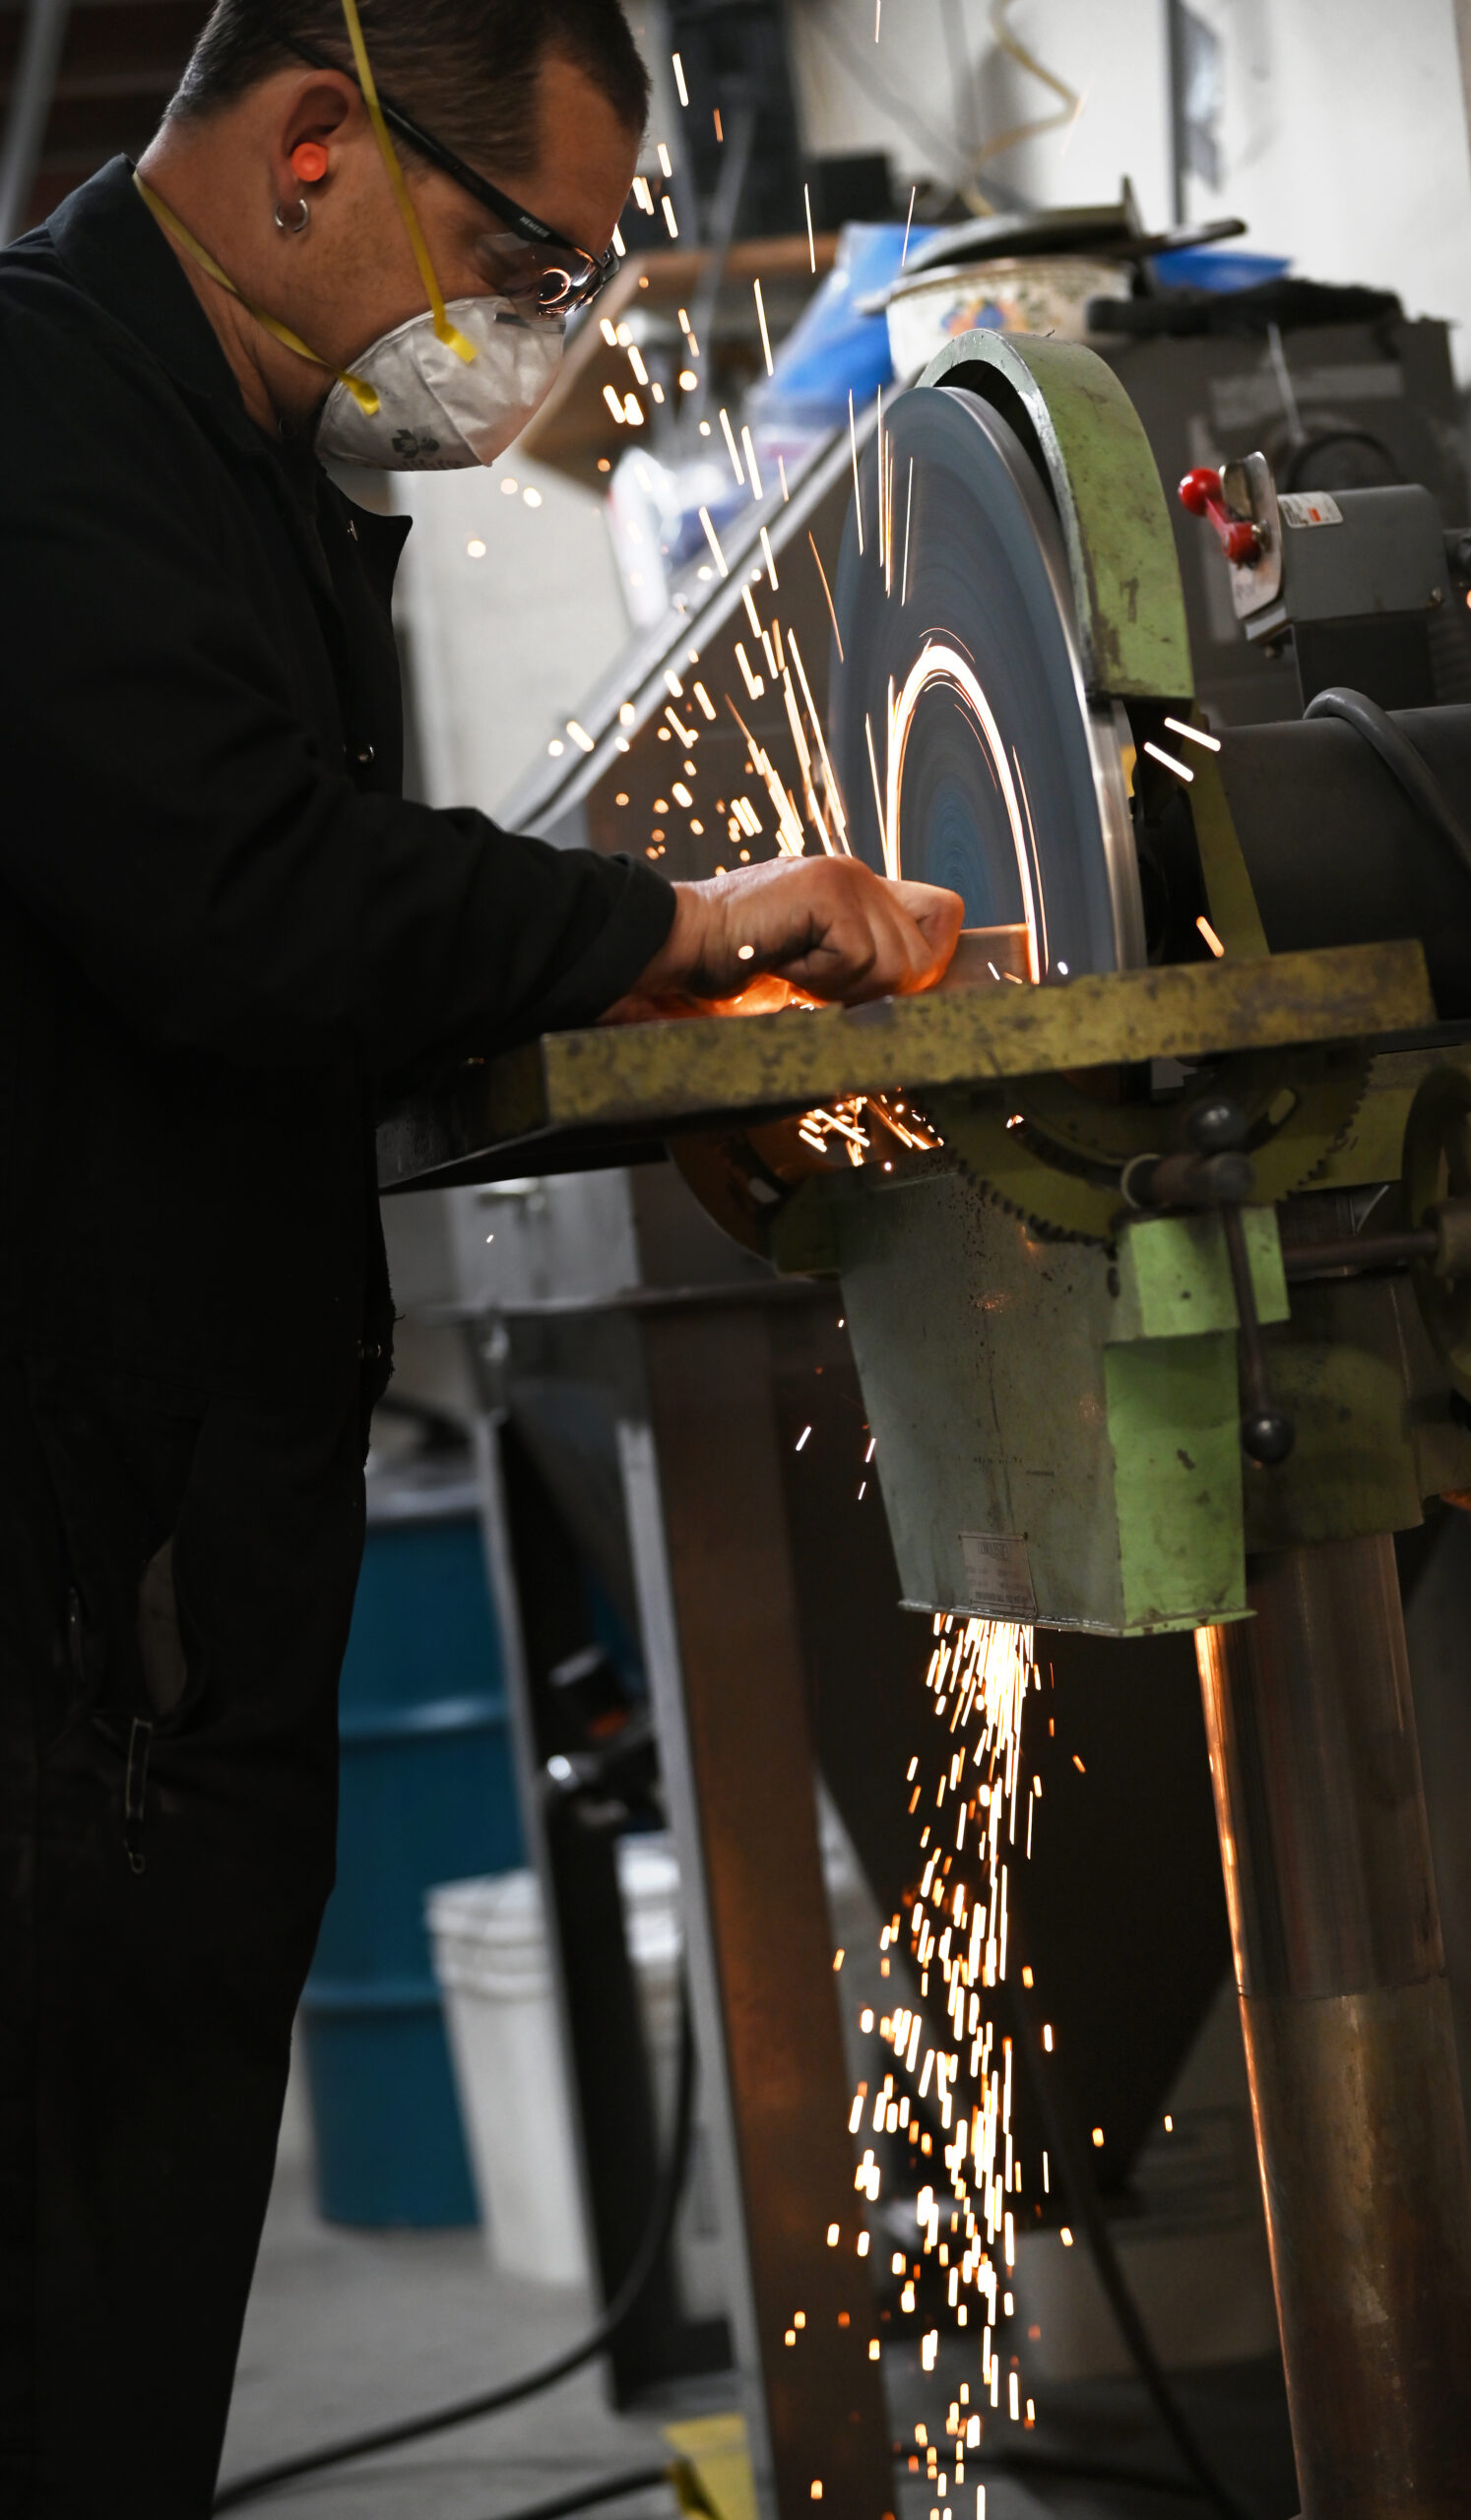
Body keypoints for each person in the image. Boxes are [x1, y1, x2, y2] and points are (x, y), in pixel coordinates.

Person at [0, 1, 961, 2507]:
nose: (533, 332)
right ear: (318, 143)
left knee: (134, 2325)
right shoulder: (38, 404)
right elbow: (246, 897)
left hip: (168, 1572)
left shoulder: (259, 465)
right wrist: (675, 921)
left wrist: (640, 1011)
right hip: (64, 1608)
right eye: (526, 257)